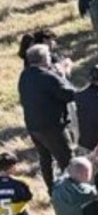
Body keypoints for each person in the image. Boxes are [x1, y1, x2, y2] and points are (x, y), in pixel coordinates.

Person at [18, 43, 76, 189]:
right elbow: (70, 94)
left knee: (45, 159)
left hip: (33, 125)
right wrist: (63, 75)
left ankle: (51, 190)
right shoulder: (48, 77)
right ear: (44, 59)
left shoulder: (25, 75)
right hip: (53, 127)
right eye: (49, 55)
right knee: (67, 160)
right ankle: (70, 191)